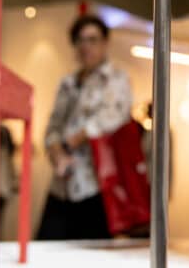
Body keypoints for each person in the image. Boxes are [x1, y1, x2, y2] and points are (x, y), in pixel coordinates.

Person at [36, 14, 133, 240]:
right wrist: (56, 151)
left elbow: (112, 117)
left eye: (92, 40)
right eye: (80, 40)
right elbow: (53, 126)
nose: (86, 46)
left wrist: (72, 141)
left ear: (104, 43)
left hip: (96, 185)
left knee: (93, 251)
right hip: (62, 185)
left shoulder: (115, 79)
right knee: (47, 248)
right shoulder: (67, 83)